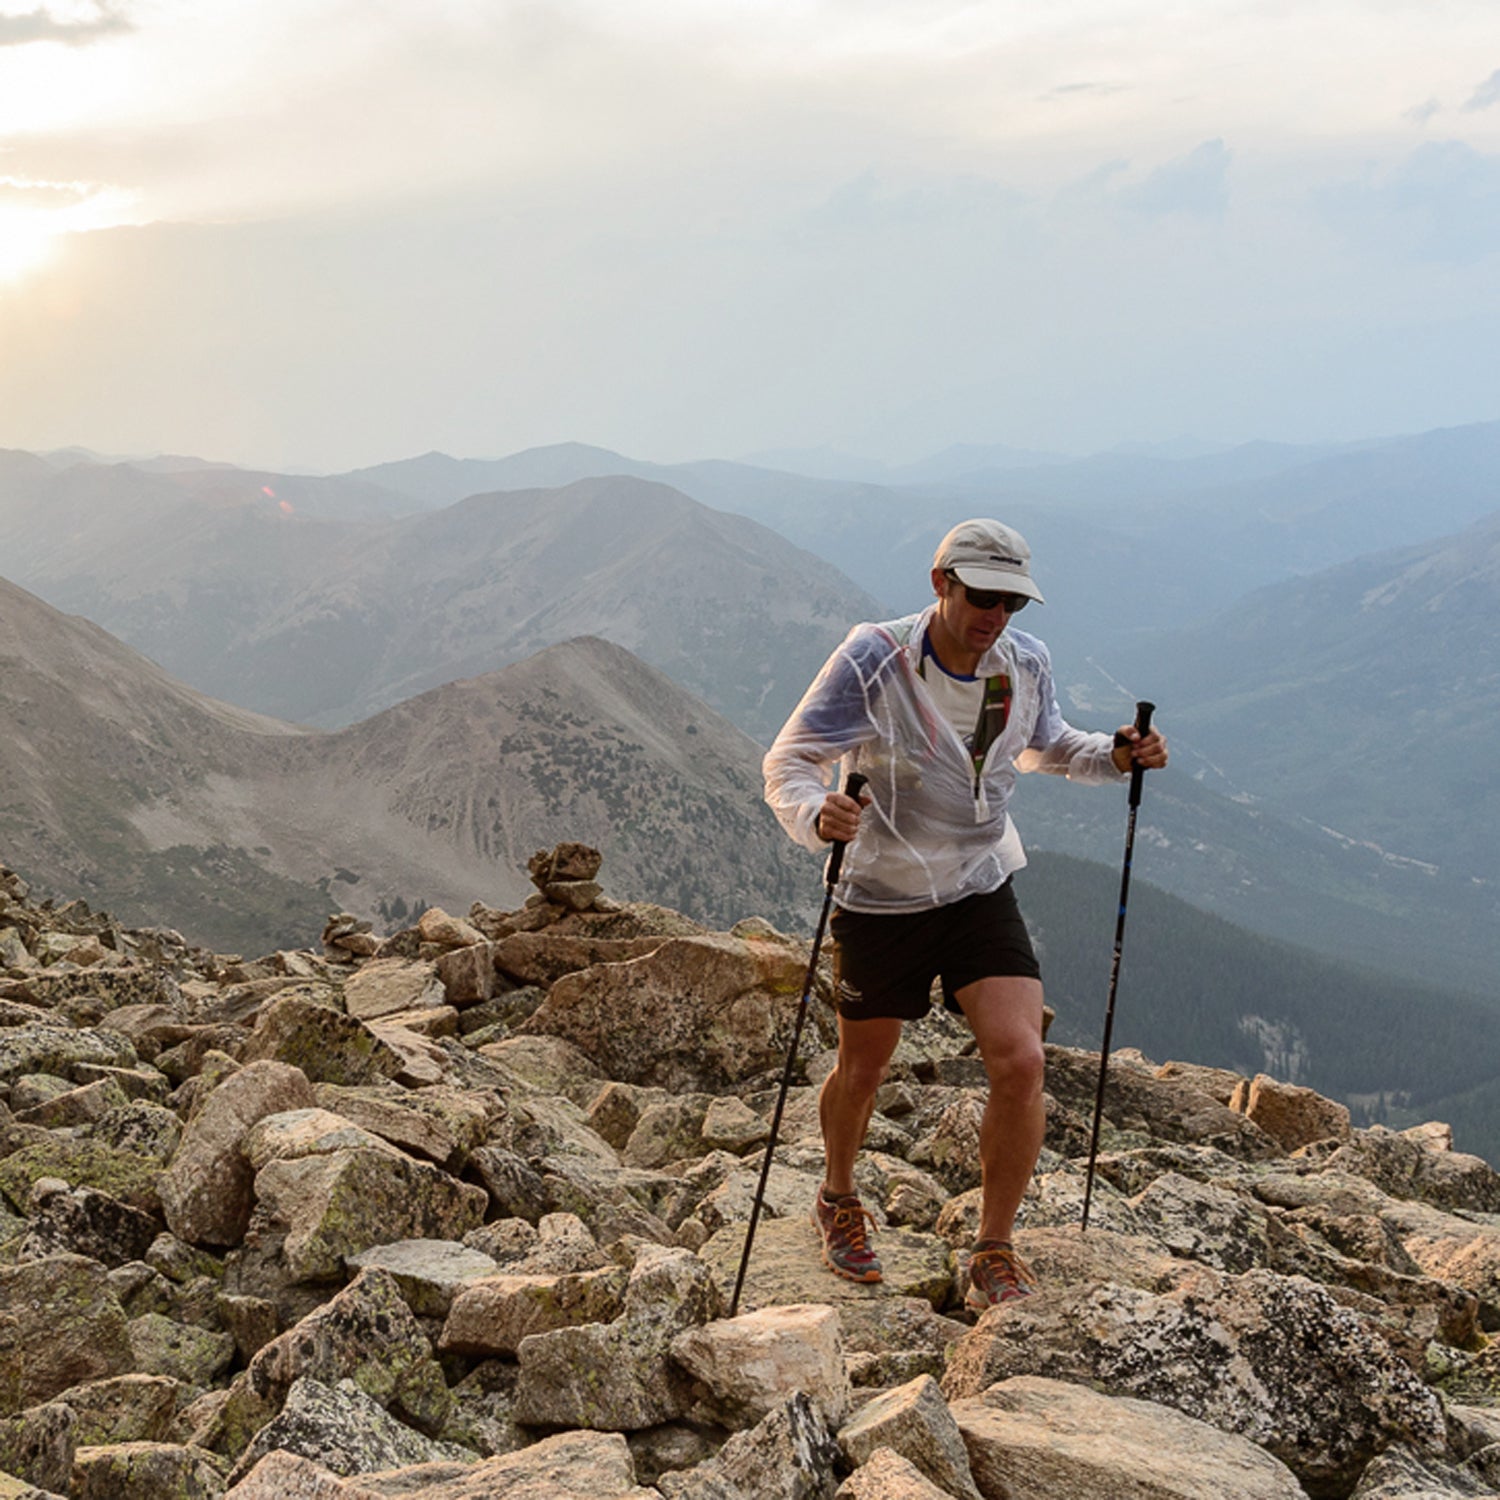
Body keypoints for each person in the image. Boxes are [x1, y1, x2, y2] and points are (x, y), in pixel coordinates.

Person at [762, 517, 1168, 1309]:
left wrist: (1116, 755)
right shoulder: (874, 658)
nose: (997, 616)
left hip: (980, 883)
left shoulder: (1023, 663)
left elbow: (1045, 747)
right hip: (882, 896)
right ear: (941, 582)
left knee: (1021, 1061)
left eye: (1013, 601)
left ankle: (994, 1250)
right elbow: (790, 758)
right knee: (864, 1068)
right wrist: (817, 815)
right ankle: (838, 1196)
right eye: (984, 596)